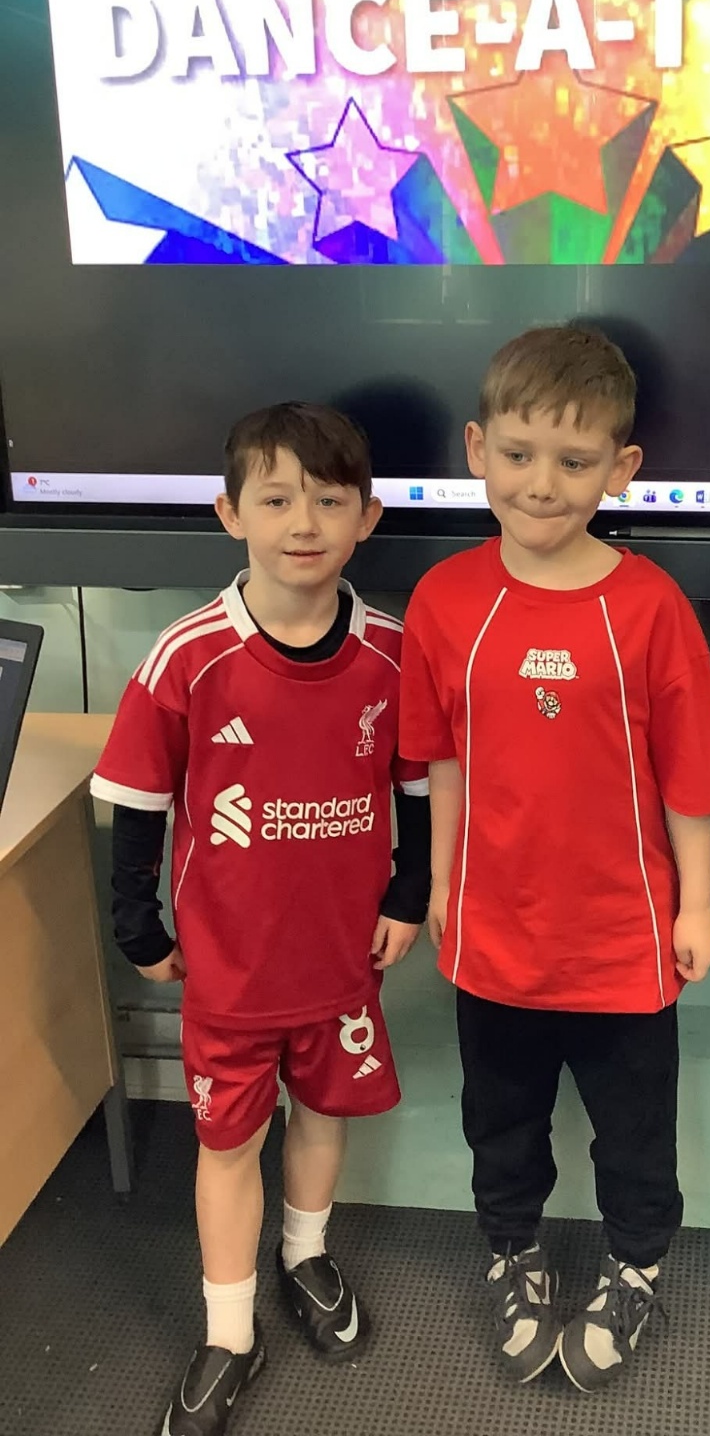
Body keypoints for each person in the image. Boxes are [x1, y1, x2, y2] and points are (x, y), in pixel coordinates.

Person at [91, 403, 431, 1436]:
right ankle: (230, 1332)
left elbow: (419, 788)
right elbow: (138, 799)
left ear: (368, 518)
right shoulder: (187, 655)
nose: (304, 523)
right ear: (230, 512)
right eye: (276, 499)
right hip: (229, 971)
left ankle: (306, 1254)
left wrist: (408, 893)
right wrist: (137, 922)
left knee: (322, 1113)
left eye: (329, 500)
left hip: (342, 961)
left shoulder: (392, 652)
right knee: (228, 1141)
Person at [397, 326, 710, 1392]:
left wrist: (697, 904)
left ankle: (635, 1267)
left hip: (622, 938)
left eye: (574, 461)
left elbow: (689, 777)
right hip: (494, 931)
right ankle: (514, 1253)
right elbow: (441, 758)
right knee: (500, 1120)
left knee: (634, 1132)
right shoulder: (445, 600)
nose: (542, 484)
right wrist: (443, 880)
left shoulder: (651, 606)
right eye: (519, 454)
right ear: (477, 449)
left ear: (620, 469)